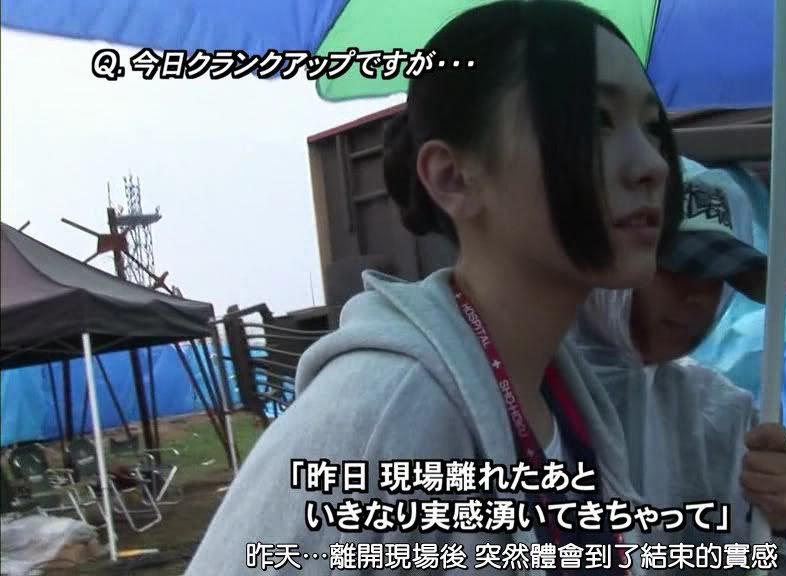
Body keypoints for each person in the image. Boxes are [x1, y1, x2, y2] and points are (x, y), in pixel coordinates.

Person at [186, 1, 685, 574]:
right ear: (453, 178)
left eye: (652, 127)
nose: (653, 165)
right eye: (596, 120)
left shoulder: (566, 397)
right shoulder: (384, 412)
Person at [573, 173, 786, 575]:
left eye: (716, 277)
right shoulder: (521, 392)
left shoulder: (721, 416)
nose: (697, 296)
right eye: (673, 267)